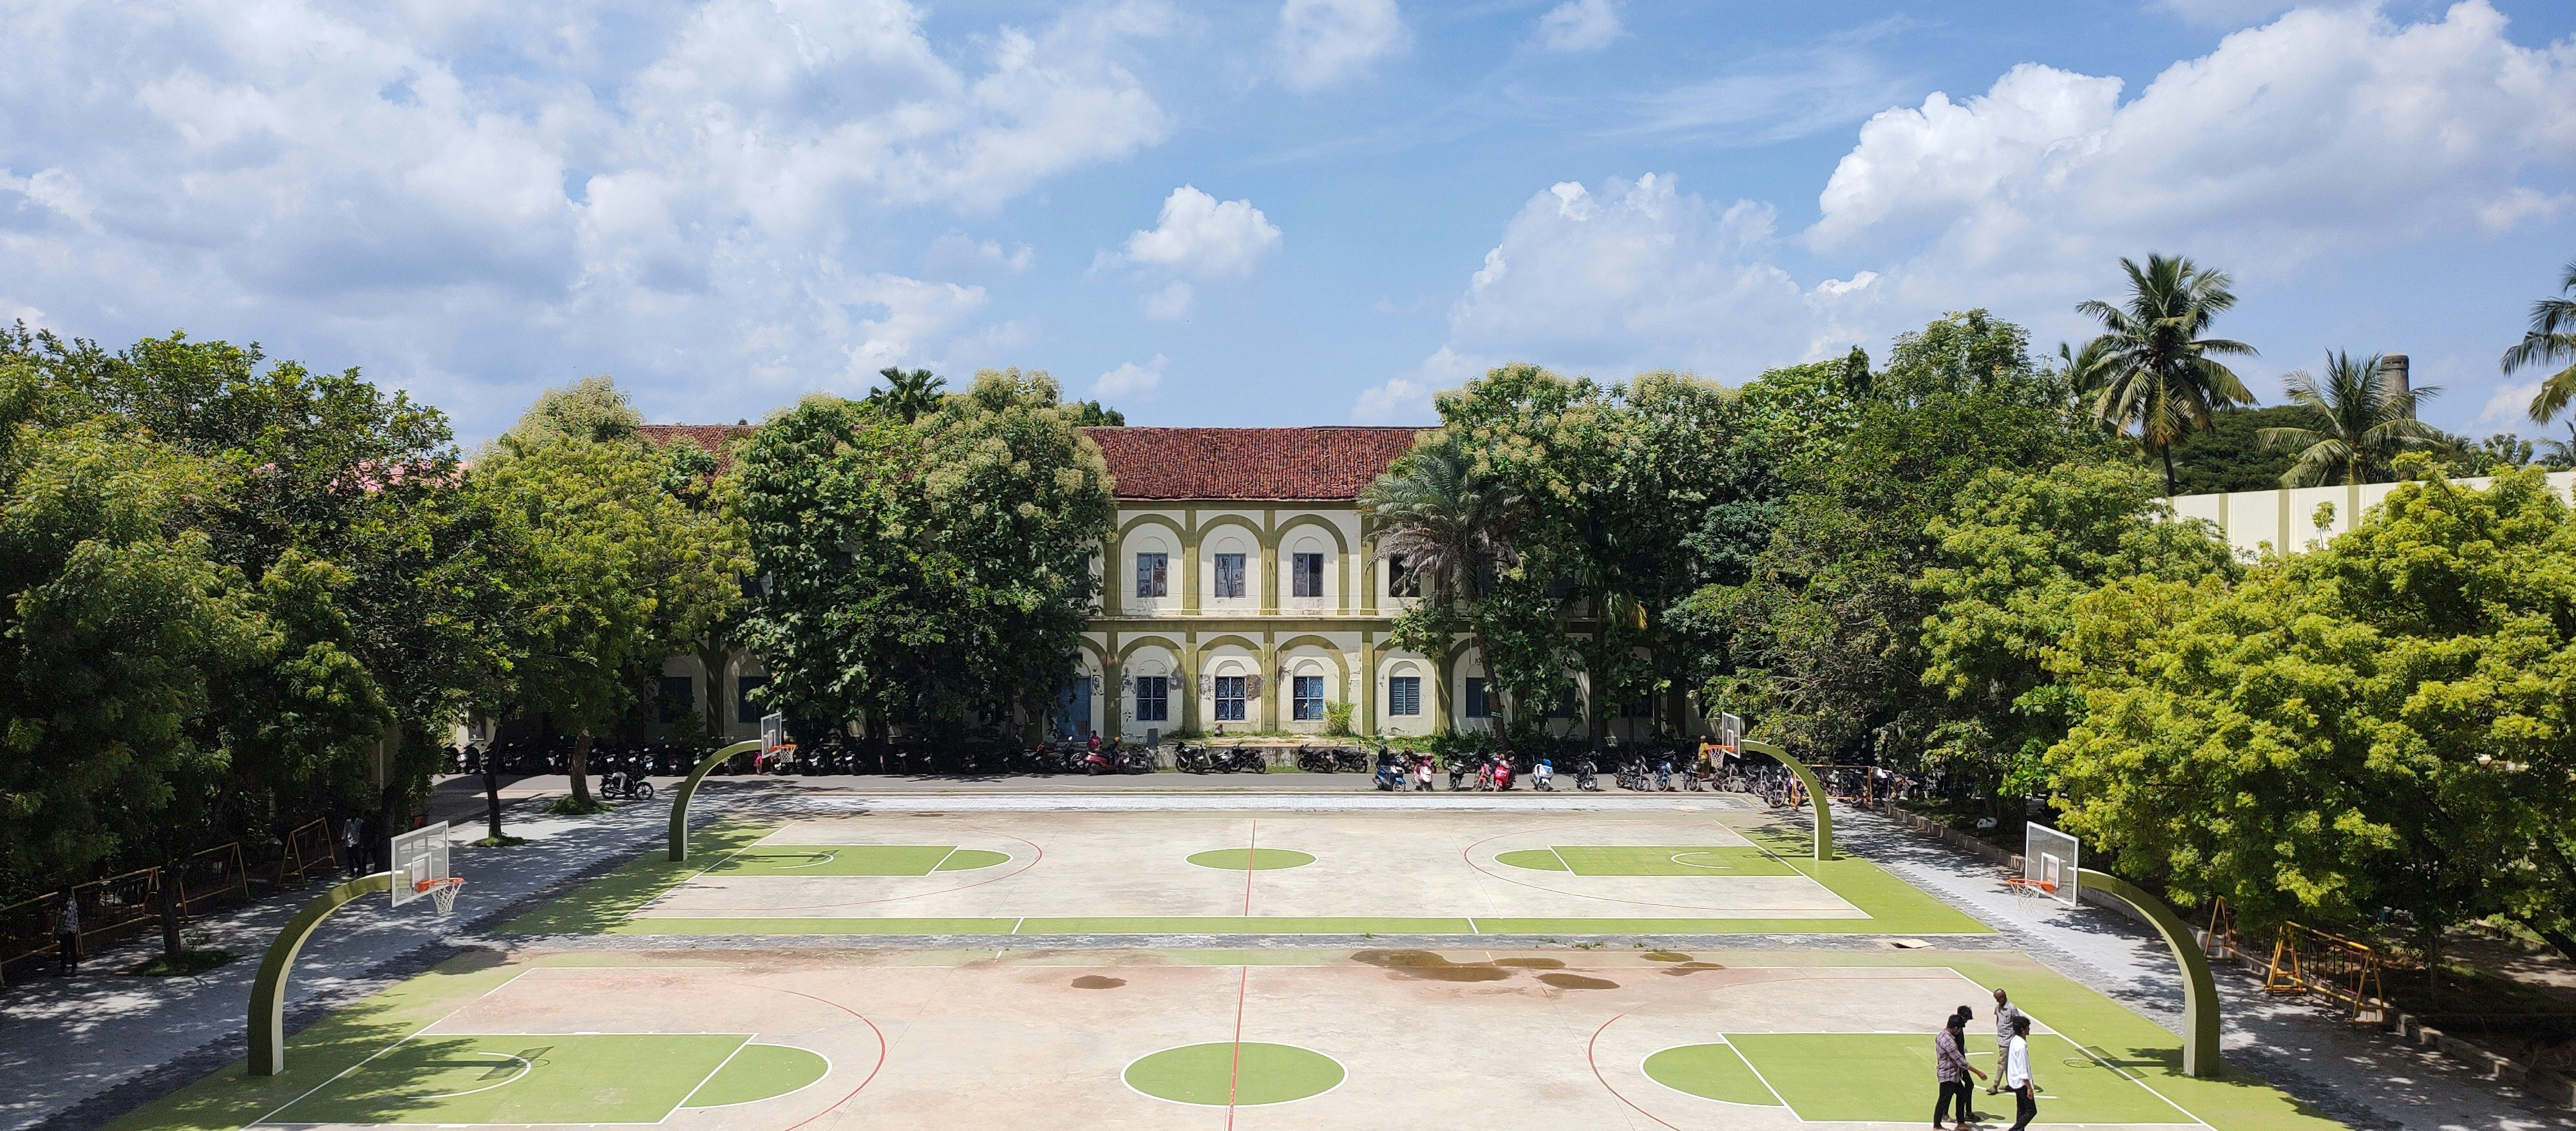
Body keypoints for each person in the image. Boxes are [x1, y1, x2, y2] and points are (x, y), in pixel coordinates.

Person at [1934, 1011, 1986, 1129]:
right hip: (1948, 1076)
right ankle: (1937, 1126)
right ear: (1956, 1028)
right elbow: (1961, 1061)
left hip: (1953, 1075)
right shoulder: (1949, 1042)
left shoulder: (1941, 1035)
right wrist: (1978, 1072)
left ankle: (1961, 1122)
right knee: (1943, 1100)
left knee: (1962, 1095)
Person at [1987, 989, 2026, 1094]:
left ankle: (1995, 1085)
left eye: (1998, 999)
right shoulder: (1998, 1007)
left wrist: (2022, 1040)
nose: (1996, 1001)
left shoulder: (2012, 1009)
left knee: (2002, 1062)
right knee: (2008, 1063)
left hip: (2009, 1040)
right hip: (2001, 1038)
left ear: (2003, 997)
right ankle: (2012, 1084)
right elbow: (1998, 1020)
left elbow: (2019, 1024)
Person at [2005, 1014, 2038, 1131]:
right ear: (2023, 1029)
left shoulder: (2014, 1041)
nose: (2029, 1029)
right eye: (2028, 1027)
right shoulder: (2021, 1046)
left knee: (2022, 1109)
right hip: (2022, 1083)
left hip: (2015, 1081)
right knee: (2031, 1111)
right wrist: (2029, 1087)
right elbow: (2023, 1070)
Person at [55, 897, 80, 976]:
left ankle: (74, 968)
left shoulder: (72, 903)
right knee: (63, 950)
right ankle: (62, 968)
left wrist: (62, 908)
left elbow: (67, 915)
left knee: (72, 950)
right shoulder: (64, 903)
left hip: (70, 930)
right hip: (62, 930)